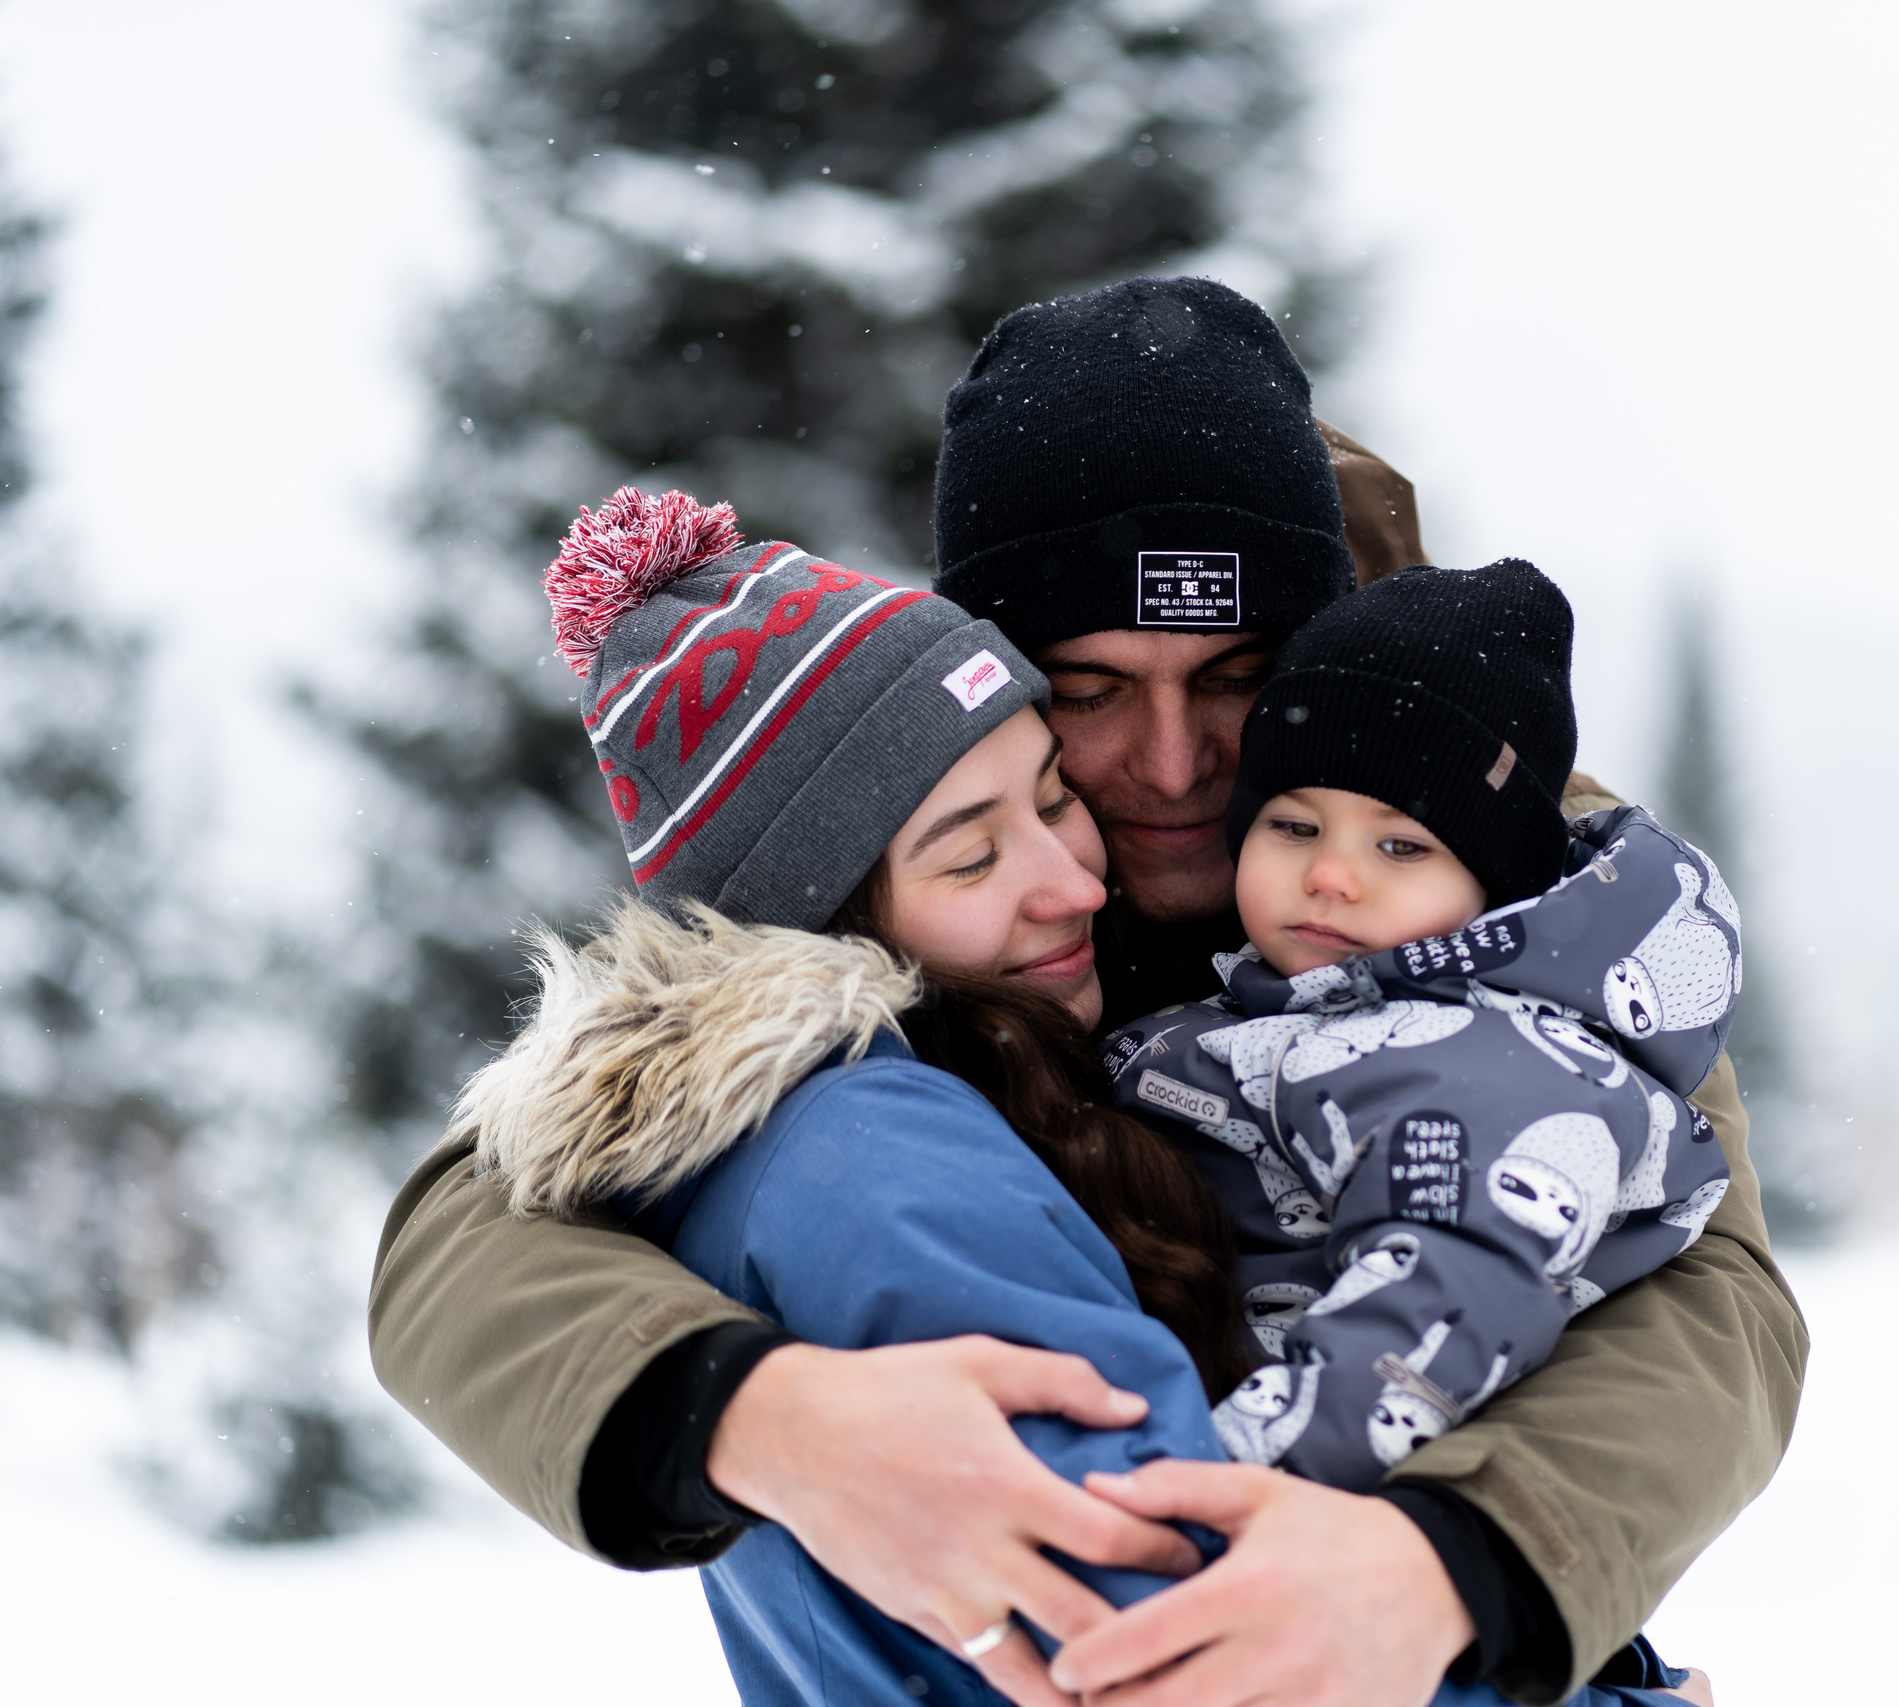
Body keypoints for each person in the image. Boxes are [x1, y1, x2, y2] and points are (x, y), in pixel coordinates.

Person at [369, 277, 1808, 1707]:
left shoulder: (1482, 866)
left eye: (1238, 675)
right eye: (1092, 690)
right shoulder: (900, 821)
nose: (1172, 764)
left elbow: (1714, 1302)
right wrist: (760, 1415)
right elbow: (475, 1224)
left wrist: (1452, 1560)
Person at [1102, 559, 1737, 1490]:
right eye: (1293, 826)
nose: (1331, 875)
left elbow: (1443, 1299)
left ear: (1496, 893)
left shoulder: (1486, 1071)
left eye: (1401, 845)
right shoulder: (1281, 1004)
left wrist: (1221, 1478)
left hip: (1288, 1495)